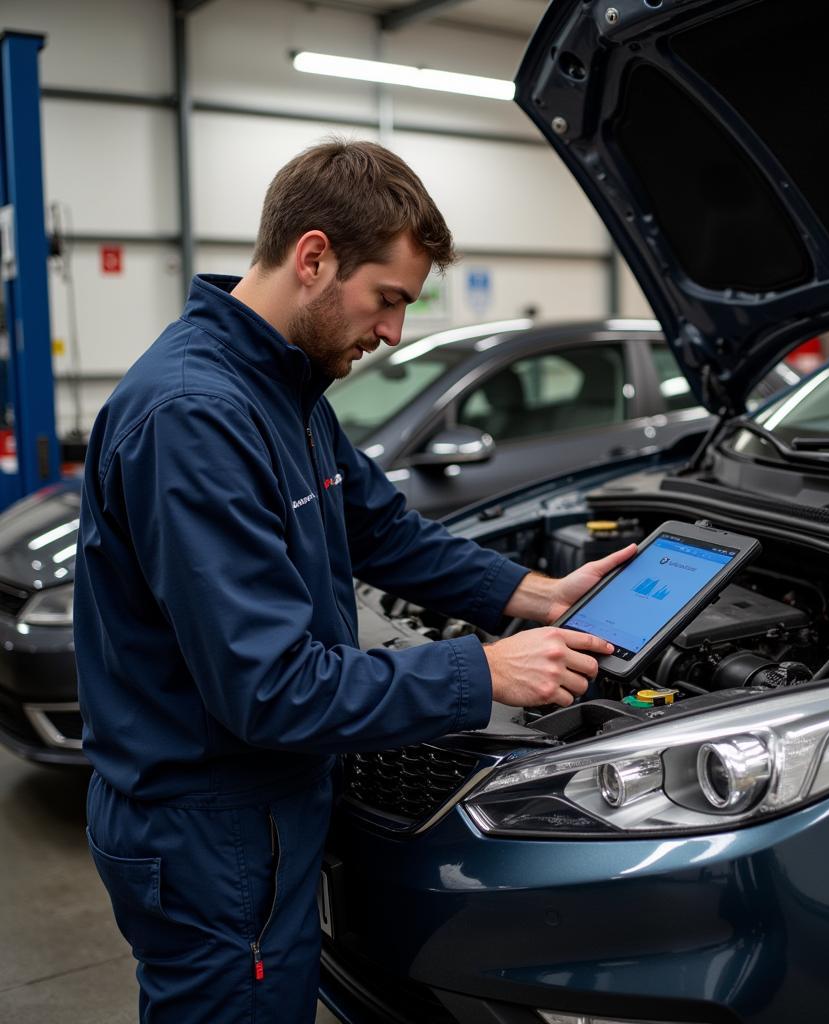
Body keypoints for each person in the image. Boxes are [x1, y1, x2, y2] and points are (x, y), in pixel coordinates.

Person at [74, 139, 633, 1023]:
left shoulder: (281, 388)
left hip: (263, 810)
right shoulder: (195, 416)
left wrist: (535, 595)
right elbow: (270, 687)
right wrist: (482, 673)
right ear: (314, 257)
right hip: (210, 825)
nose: (393, 333)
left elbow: (381, 528)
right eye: (389, 300)